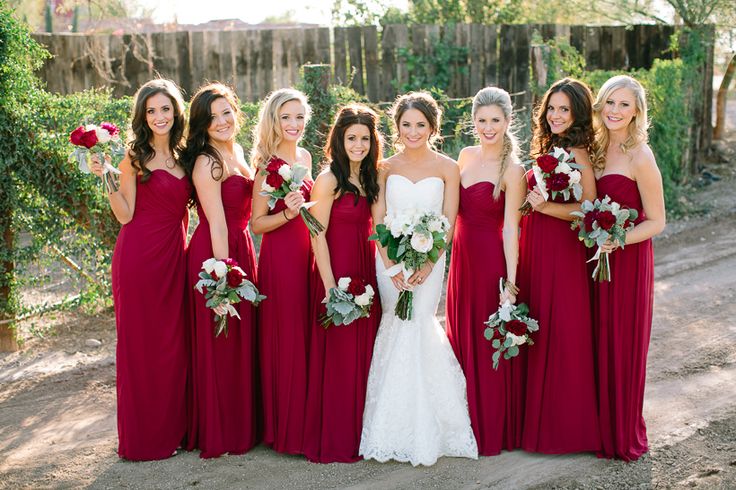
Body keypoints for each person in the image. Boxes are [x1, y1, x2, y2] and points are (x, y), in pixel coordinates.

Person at [359, 91, 478, 466]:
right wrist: (392, 265)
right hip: (389, 262)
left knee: (420, 324)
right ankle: (388, 426)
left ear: (432, 127)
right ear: (397, 127)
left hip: (430, 261)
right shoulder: (383, 167)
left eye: (420, 125)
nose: (413, 132)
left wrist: (428, 263)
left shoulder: (447, 168)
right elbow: (377, 221)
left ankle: (432, 426)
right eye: (406, 125)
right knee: (395, 324)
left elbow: (450, 219)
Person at [90, 78, 189, 460]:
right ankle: (144, 439)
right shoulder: (132, 157)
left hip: (174, 260)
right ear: (142, 116)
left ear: (176, 112)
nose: (159, 116)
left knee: (173, 347)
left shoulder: (187, 155)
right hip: (138, 260)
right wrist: (108, 179)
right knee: (140, 349)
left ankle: (174, 431)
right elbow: (125, 215)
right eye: (151, 110)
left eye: (165, 109)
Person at [519, 78, 601, 453]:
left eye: (564, 109)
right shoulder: (551, 147)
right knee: (539, 325)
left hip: (562, 249)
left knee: (562, 330)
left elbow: (588, 209)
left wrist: (545, 208)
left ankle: (565, 427)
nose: (555, 115)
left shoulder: (580, 154)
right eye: (551, 108)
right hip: (535, 244)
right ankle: (535, 422)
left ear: (578, 114)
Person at [445, 86, 527, 455]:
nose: (488, 127)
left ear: (508, 121)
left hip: (490, 262)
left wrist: (510, 281)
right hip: (461, 262)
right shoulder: (463, 155)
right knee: (460, 337)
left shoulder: (514, 170)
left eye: (495, 120)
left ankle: (490, 428)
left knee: (485, 341)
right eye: (481, 121)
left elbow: (512, 228)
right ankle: (461, 425)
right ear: (473, 122)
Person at [302, 104, 382, 463]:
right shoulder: (329, 179)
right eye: (352, 137)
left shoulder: (367, 178)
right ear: (340, 138)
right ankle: (336, 437)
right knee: (340, 356)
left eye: (365, 138)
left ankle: (363, 434)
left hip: (364, 272)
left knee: (364, 355)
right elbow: (316, 233)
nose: (358, 144)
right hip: (333, 271)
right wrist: (331, 287)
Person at [182, 83, 259, 458]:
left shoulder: (238, 151)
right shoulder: (206, 161)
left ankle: (244, 423)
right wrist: (224, 276)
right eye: (212, 118)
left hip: (241, 245)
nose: (222, 121)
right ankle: (223, 430)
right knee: (221, 339)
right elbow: (214, 221)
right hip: (217, 254)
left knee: (239, 340)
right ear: (202, 125)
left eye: (226, 112)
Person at [591, 75, 665, 461]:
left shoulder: (641, 155)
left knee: (620, 342)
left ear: (636, 111)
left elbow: (657, 221)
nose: (615, 111)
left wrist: (618, 239)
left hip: (628, 261)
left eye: (623, 104)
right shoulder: (596, 151)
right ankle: (593, 428)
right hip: (593, 263)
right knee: (595, 341)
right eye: (609, 103)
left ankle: (621, 432)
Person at [250, 88, 313, 455]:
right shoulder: (266, 164)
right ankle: (284, 428)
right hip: (281, 256)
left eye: (300, 117)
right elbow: (256, 223)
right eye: (286, 117)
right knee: (286, 335)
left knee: (303, 333)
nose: (294, 124)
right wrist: (287, 213)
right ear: (274, 120)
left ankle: (303, 417)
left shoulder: (304, 155)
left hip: (307, 252)